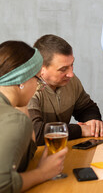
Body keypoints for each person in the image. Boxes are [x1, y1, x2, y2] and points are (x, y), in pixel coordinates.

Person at [0, 41, 67, 192]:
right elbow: (2, 185)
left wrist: (21, 99)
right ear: (22, 80)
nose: (39, 87)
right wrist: (43, 173)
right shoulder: (14, 120)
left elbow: (26, 153)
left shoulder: (13, 112)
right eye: (38, 80)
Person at [28, 34, 103, 146]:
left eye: (72, 65)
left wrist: (92, 122)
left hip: (60, 151)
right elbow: (35, 132)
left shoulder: (71, 80)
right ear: (41, 69)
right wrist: (81, 130)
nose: (71, 74)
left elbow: (86, 108)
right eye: (63, 69)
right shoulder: (27, 89)